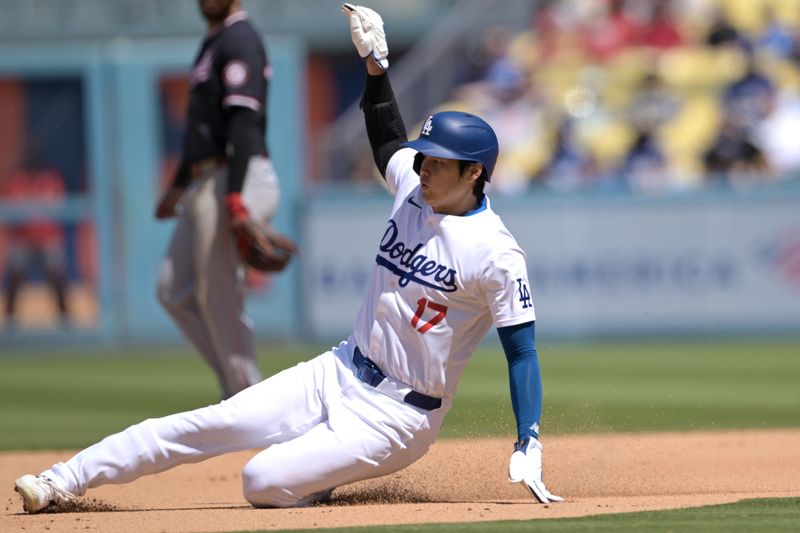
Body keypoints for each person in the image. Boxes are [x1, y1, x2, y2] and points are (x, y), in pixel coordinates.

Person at [13, 4, 562, 513]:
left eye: (439, 163)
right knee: (210, 421)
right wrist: (375, 68)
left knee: (262, 480)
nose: (424, 168)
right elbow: (386, 139)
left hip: (400, 416)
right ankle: (63, 480)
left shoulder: (495, 251)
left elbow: (522, 351)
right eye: (425, 158)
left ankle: (315, 472)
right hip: (339, 368)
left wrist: (528, 436)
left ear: (474, 173)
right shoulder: (413, 189)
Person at [153, 0, 286, 399]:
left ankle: (248, 401)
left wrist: (234, 196)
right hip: (205, 179)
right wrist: (177, 187)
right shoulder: (214, 42)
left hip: (235, 175)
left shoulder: (240, 39)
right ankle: (240, 391)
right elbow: (201, 131)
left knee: (219, 294)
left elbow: (243, 123)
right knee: (172, 289)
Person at [2, 146, 70, 328]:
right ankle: (10, 320)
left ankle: (65, 318)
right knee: (15, 275)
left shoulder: (50, 178)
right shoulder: (18, 180)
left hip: (48, 236)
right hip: (23, 238)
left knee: (56, 275)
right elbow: (11, 208)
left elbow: (58, 204)